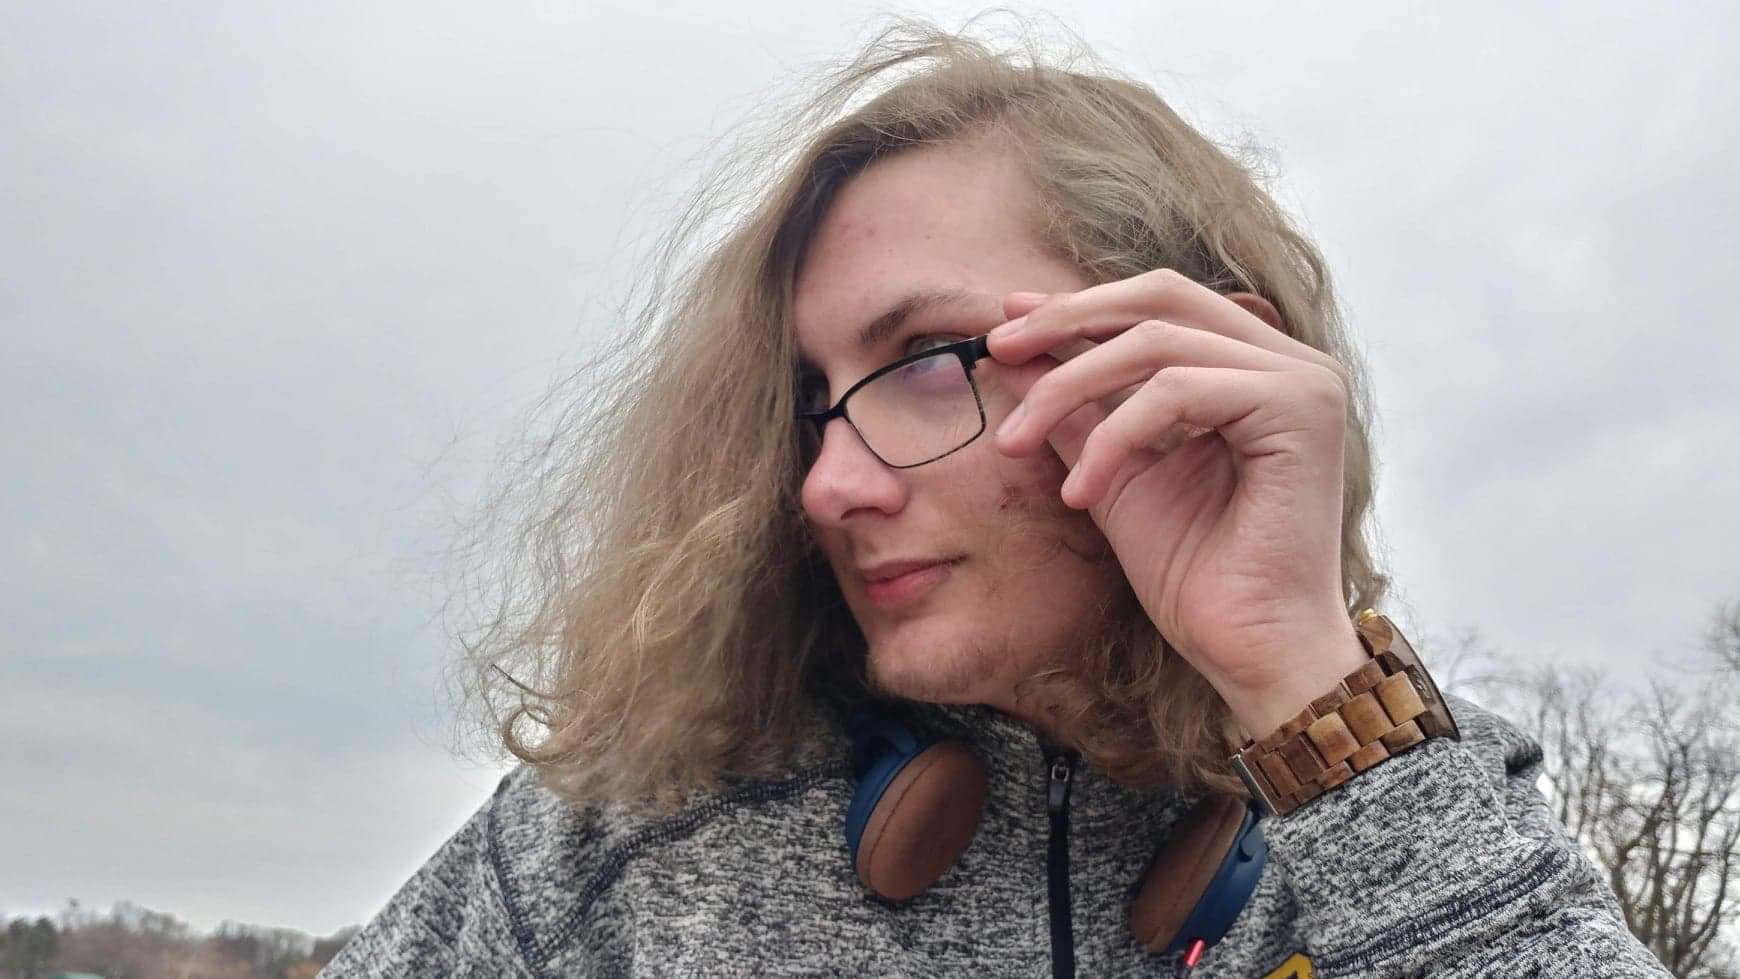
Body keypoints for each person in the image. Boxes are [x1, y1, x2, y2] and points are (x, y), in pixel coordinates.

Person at [323, 16, 1671, 978]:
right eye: (805, 403)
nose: (826, 487)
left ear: (1206, 369)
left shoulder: (1429, 800)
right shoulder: (627, 834)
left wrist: (1311, 697)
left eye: (923, 360)